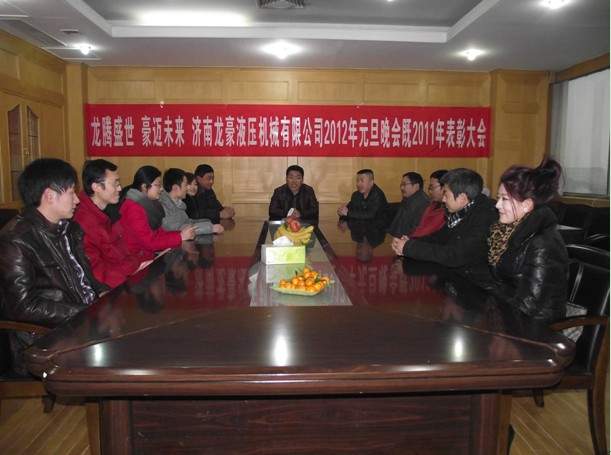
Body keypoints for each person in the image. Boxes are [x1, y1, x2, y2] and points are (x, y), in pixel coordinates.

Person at [0, 158, 104, 373]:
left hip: (83, 320)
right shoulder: (17, 239)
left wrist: (104, 293)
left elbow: (84, 278)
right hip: (48, 335)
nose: (77, 200)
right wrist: (86, 312)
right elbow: (23, 307)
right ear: (49, 195)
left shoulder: (69, 230)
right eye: (71, 193)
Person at [487, 159, 568, 324]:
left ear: (527, 205)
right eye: (498, 198)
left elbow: (529, 306)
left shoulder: (542, 245)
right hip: (508, 315)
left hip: (534, 328)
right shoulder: (508, 231)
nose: (497, 205)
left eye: (504, 199)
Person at [391, 168, 497, 273]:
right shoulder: (461, 211)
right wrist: (410, 241)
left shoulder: (485, 216)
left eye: (446, 195)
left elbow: (455, 255)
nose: (443, 199)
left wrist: (409, 248)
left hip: (475, 280)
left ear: (462, 198)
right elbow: (439, 237)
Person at [74, 159, 147, 289]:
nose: (120, 188)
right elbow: (98, 273)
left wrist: (138, 263)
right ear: (96, 187)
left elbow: (120, 252)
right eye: (115, 184)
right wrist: (134, 272)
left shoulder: (106, 212)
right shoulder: (84, 222)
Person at [119, 166, 195, 261]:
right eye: (158, 185)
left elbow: (159, 233)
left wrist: (181, 234)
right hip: (136, 260)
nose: (162, 189)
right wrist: (180, 237)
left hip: (146, 256)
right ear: (144, 187)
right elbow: (149, 242)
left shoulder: (148, 204)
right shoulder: (133, 208)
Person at [160, 168, 224, 236]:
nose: (187, 188)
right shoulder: (163, 206)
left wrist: (209, 222)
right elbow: (178, 229)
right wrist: (210, 228)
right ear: (175, 188)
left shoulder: (178, 203)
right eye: (185, 185)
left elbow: (188, 222)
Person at [388, 172, 429, 238]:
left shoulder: (422, 203)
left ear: (416, 186)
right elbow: (398, 223)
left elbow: (415, 230)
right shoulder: (408, 198)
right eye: (401, 184)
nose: (402, 188)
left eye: (404, 184)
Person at [409, 169, 448, 238]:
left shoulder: (448, 210)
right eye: (429, 188)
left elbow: (427, 232)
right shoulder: (432, 205)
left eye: (432, 187)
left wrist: (410, 240)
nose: (430, 191)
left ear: (445, 187)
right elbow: (420, 227)